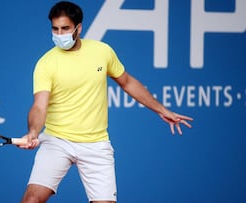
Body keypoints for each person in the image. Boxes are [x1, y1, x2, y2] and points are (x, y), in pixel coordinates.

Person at [18, 1, 193, 203]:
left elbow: (127, 82)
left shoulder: (102, 51)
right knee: (32, 199)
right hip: (57, 140)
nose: (59, 34)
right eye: (55, 29)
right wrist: (32, 132)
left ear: (78, 28)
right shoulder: (46, 63)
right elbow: (39, 105)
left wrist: (161, 109)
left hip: (96, 143)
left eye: (65, 28)